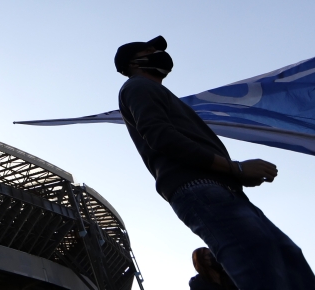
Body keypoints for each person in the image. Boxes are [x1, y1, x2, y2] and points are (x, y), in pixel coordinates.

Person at [116, 35, 315, 290]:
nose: (158, 54)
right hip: (200, 188)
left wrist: (234, 175)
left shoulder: (158, 92)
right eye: (150, 50)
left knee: (287, 259)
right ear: (133, 63)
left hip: (223, 190)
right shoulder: (138, 87)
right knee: (260, 263)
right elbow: (161, 137)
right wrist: (236, 168)